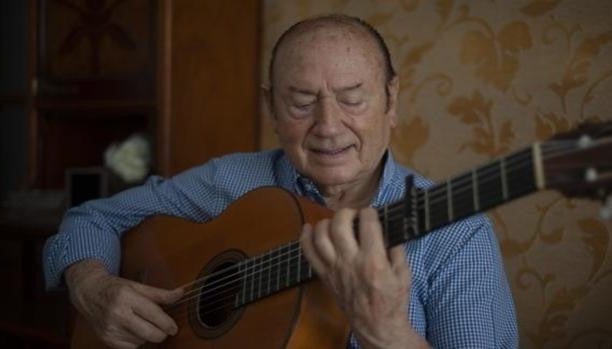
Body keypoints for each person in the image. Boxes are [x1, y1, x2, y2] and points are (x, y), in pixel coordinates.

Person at [43, 14, 518, 349]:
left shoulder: (458, 237)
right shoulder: (229, 180)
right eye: (301, 101)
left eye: (353, 98)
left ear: (391, 101)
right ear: (271, 107)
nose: (329, 126)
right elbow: (92, 217)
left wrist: (387, 333)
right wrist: (92, 283)